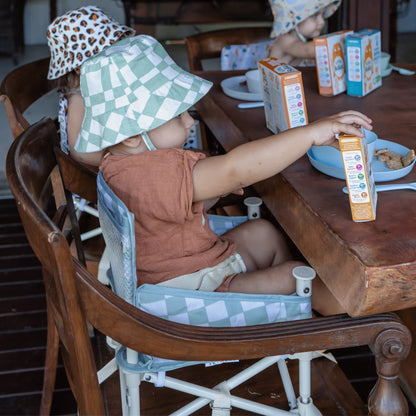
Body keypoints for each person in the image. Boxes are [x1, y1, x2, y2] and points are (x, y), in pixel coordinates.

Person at [75, 35, 372, 314]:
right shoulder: (156, 172)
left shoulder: (117, 164)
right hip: (187, 295)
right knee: (294, 275)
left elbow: (181, 205)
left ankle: (283, 313)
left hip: (170, 275)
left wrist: (221, 181)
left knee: (263, 234)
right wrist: (309, 134)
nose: (189, 122)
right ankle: (344, 314)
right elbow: (235, 170)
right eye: (177, 115)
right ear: (131, 136)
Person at [46, 5, 135, 167]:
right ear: (80, 68)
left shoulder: (102, 87)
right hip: (98, 170)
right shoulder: (79, 100)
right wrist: (122, 155)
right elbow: (81, 154)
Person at [268, 0, 341, 66]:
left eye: (323, 15)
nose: (322, 22)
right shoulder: (284, 40)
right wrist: (340, 42)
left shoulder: (300, 41)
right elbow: (307, 51)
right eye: (314, 16)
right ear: (294, 20)